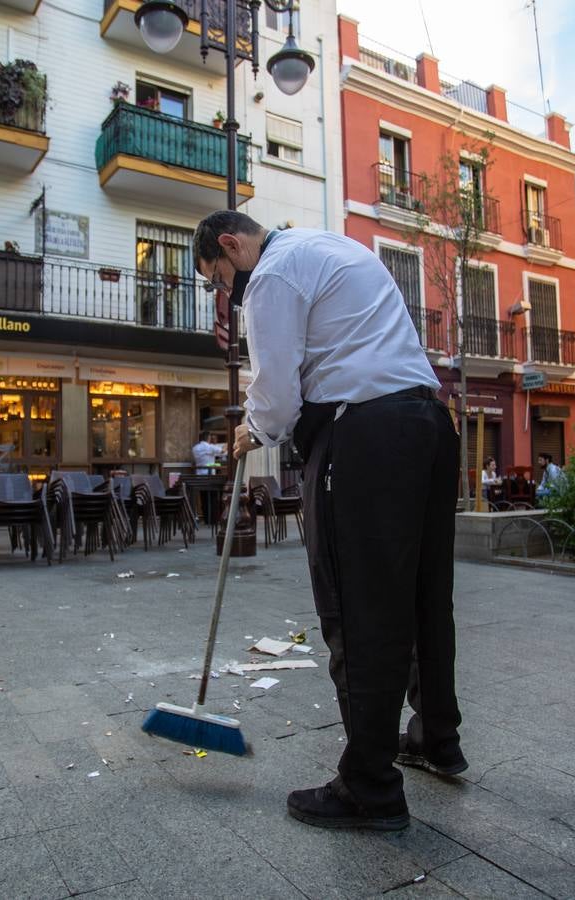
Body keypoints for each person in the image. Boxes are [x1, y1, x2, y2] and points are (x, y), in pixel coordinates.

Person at [196, 210, 463, 832]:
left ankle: (368, 786)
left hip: (362, 434)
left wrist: (252, 429)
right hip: (426, 425)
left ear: (231, 246)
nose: (223, 295)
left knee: (359, 607)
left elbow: (278, 395)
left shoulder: (270, 277)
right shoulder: (327, 246)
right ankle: (435, 737)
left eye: (217, 280)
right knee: (424, 595)